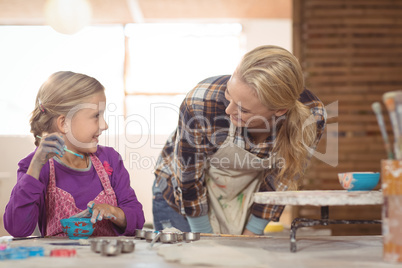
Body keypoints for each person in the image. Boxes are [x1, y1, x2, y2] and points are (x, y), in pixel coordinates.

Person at [152, 45, 327, 235]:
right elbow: (188, 175)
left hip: (243, 197)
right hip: (182, 193)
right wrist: (204, 237)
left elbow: (282, 177)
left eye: (243, 110)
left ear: (279, 110)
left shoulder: (311, 117)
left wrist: (252, 233)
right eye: (229, 93)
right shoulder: (201, 102)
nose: (228, 110)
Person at [4, 71, 145, 237]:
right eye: (96, 116)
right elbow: (17, 229)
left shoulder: (110, 159)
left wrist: (112, 211)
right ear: (64, 123)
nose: (104, 125)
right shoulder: (34, 166)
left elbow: (137, 220)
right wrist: (35, 167)